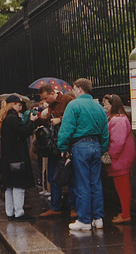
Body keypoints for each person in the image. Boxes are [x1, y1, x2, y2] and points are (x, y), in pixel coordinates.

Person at [57, 78, 109, 231]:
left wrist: (63, 147)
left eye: (74, 88)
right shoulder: (99, 107)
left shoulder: (73, 105)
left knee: (82, 183)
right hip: (96, 146)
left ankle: (84, 220)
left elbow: (66, 129)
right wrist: (103, 148)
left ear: (79, 89)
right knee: (96, 183)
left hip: (80, 146)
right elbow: (105, 132)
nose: (73, 91)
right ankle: (98, 218)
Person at [38, 84, 77, 218]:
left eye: (46, 98)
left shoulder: (67, 101)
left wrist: (59, 119)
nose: (45, 101)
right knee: (53, 177)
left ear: (52, 93)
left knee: (70, 176)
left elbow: (74, 119)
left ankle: (73, 207)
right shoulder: (50, 106)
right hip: (55, 146)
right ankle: (55, 207)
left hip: (66, 145)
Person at [0, 94, 38, 221]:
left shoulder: (6, 118)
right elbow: (23, 132)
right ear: (12, 104)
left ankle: (10, 211)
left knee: (9, 185)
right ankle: (19, 212)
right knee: (18, 184)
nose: (20, 108)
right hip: (16, 155)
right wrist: (32, 121)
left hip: (8, 156)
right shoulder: (12, 118)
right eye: (18, 105)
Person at [103, 93, 135, 224]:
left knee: (122, 187)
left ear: (113, 105)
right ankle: (125, 212)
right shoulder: (118, 118)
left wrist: (110, 155)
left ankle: (126, 214)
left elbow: (117, 142)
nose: (103, 106)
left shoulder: (118, 120)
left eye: (105, 104)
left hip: (120, 159)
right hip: (121, 158)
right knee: (121, 187)